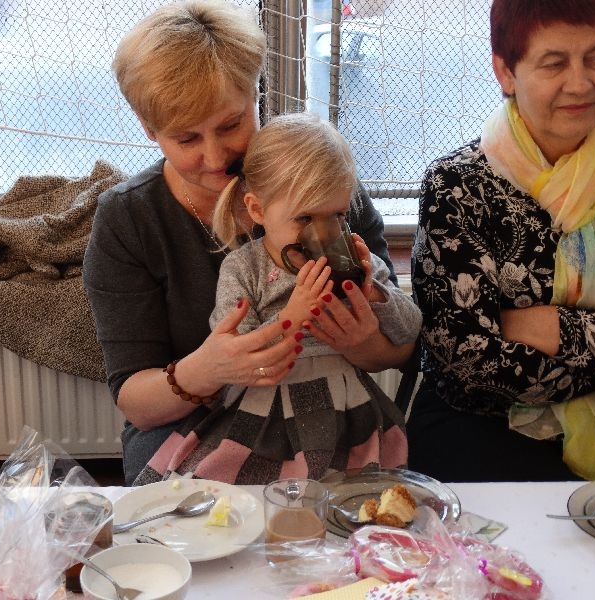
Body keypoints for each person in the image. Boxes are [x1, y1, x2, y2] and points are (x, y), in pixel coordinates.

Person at [83, 0, 415, 485]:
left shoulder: (320, 187)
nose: (216, 156)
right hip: (186, 423)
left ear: (255, 95)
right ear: (149, 130)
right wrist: (208, 369)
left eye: (231, 124)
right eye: (187, 139)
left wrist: (365, 343)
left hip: (325, 411)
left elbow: (402, 347)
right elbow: (136, 401)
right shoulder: (129, 219)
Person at [408, 0, 595, 482]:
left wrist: (553, 329)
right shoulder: (457, 186)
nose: (580, 84)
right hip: (482, 430)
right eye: (554, 63)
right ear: (506, 71)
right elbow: (473, 362)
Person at [130, 113, 421, 484]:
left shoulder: (356, 261)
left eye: (337, 215)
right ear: (258, 210)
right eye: (305, 219)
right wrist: (292, 318)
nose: (325, 233)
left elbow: (410, 328)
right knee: (226, 493)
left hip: (345, 411)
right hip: (264, 414)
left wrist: (376, 293)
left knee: (354, 496)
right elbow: (235, 348)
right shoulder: (244, 268)